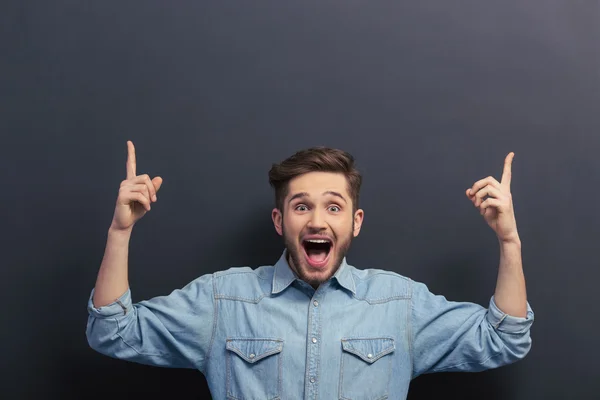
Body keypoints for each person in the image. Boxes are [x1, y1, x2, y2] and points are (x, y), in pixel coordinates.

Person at [86, 141, 534, 400]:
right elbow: (113, 332)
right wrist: (119, 231)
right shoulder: (224, 300)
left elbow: (502, 339)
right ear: (281, 222)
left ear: (354, 223)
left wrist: (508, 241)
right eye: (301, 206)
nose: (317, 221)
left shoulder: (399, 305)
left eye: (334, 207)